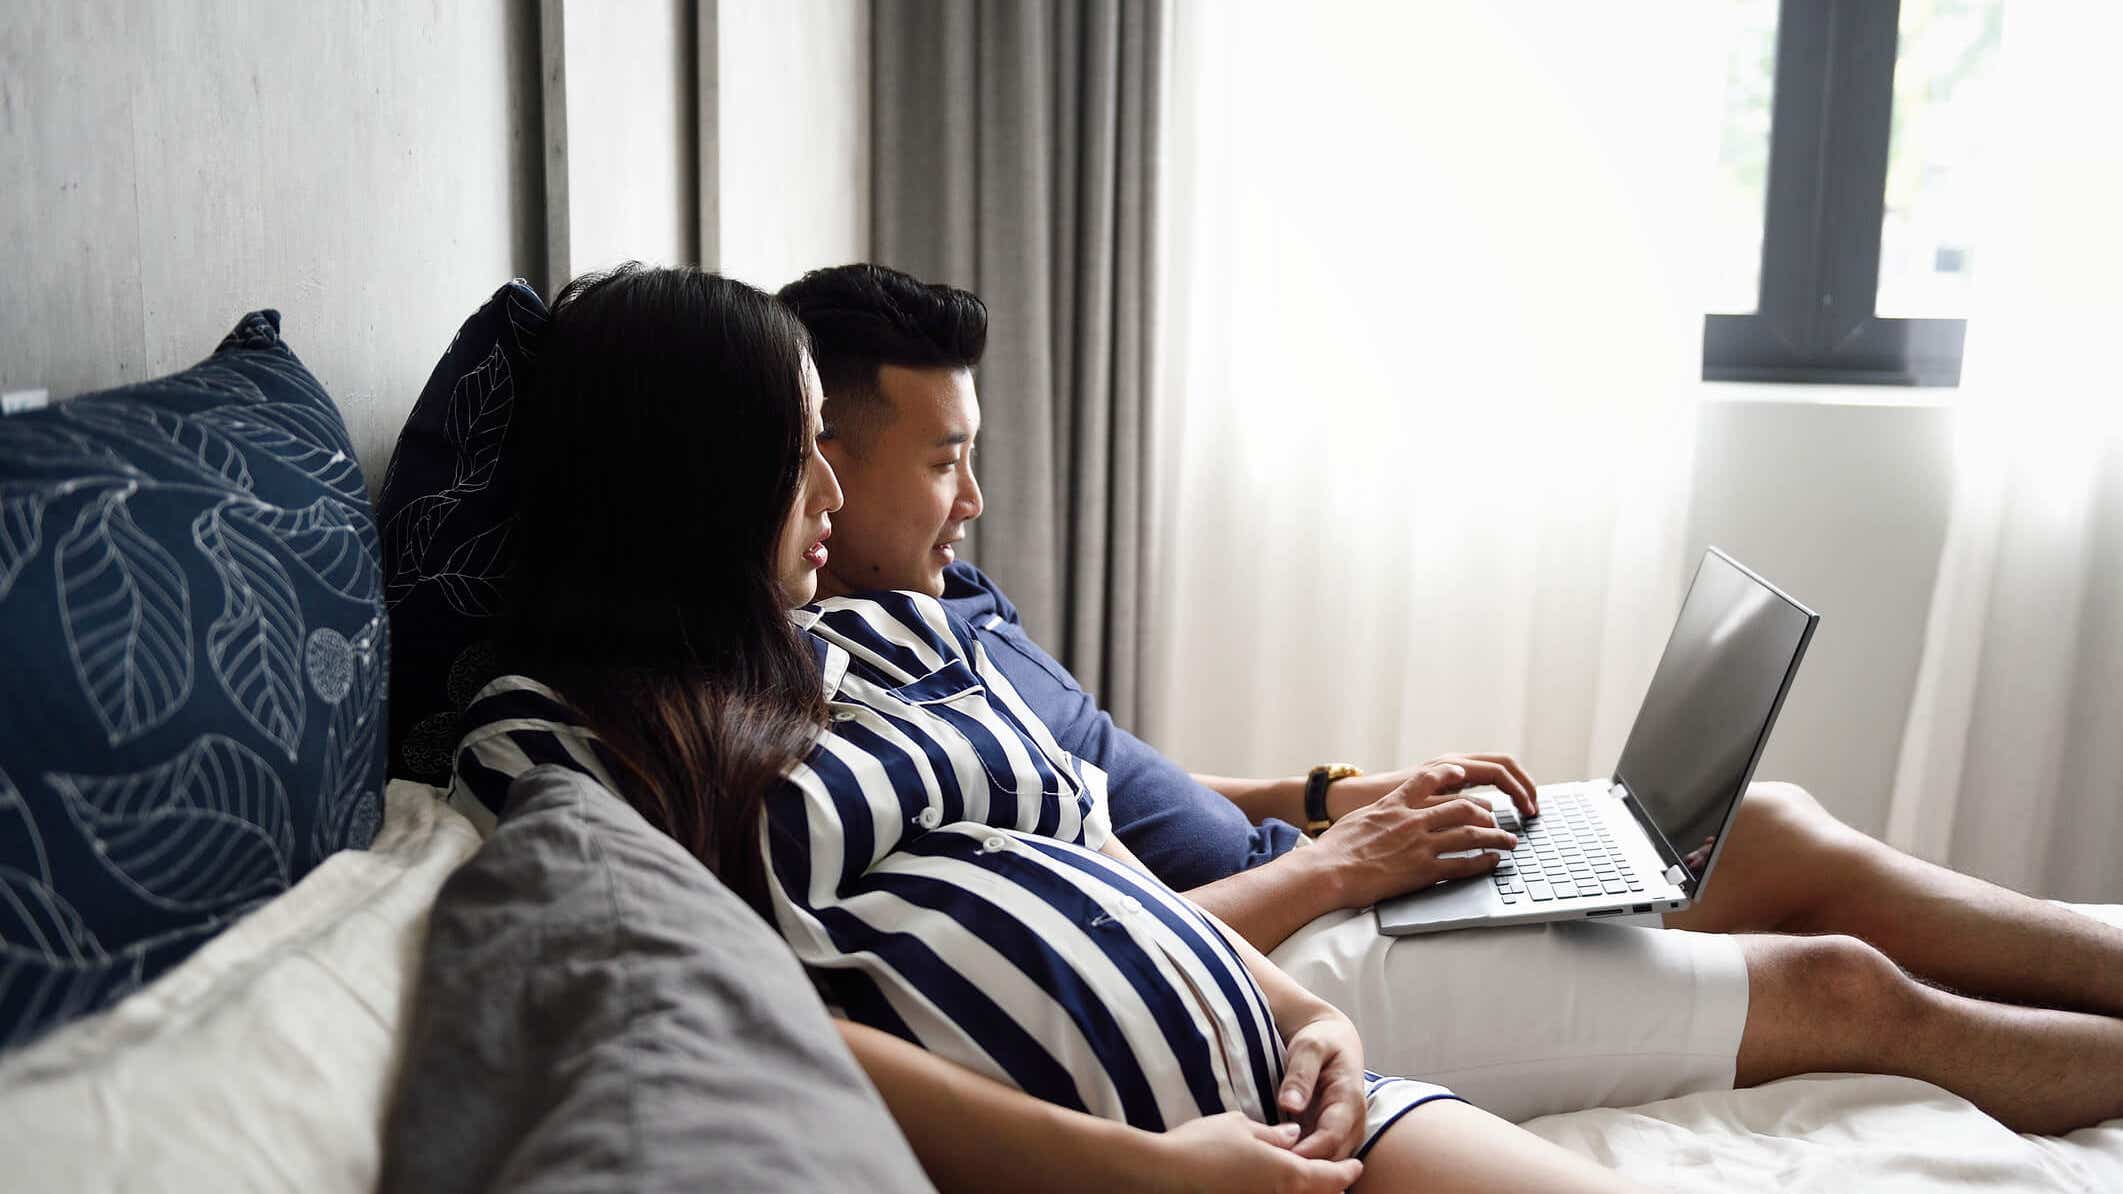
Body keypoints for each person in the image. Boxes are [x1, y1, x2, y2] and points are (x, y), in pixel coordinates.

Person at [778, 261, 2123, 1135]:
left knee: (1770, 829)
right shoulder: (848, 703)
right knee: (1840, 985)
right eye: (946, 460)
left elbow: (1126, 781)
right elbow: (1096, 934)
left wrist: (1330, 798)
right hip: (1282, 960)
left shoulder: (944, 603)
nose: (977, 498)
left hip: (1325, 877)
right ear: (822, 459)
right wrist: (1335, 867)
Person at [453, 263, 1645, 1193]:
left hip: (1298, 1108)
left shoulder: (890, 636)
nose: (825, 490)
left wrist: (1310, 1018)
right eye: (794, 453)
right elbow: (745, 1010)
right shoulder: (556, 742)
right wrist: (1147, 1174)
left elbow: (1107, 863)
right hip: (1120, 1169)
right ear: (693, 479)